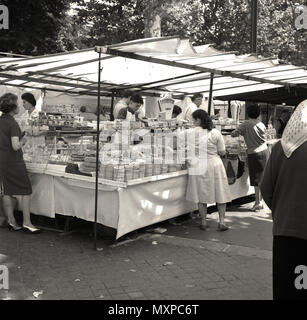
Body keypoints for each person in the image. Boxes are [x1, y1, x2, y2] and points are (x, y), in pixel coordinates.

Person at [260, 99, 307, 300]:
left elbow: (266, 188)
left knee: (287, 288)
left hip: (286, 232)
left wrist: (282, 211)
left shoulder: (281, 147)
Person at [184, 109, 232, 231]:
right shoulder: (215, 132)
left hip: (198, 164)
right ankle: (221, 222)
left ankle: (204, 222)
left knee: (201, 194)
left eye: (193, 119)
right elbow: (222, 151)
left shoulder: (189, 132)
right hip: (214, 163)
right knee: (220, 192)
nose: (192, 122)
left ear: (198, 120)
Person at [0, 93, 41, 233]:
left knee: (8, 191)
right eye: (17, 103)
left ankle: (12, 221)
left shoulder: (2, 120)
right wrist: (24, 139)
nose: (19, 106)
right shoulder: (12, 123)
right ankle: (27, 223)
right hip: (14, 161)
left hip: (3, 160)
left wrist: (19, 135)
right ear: (12, 107)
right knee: (26, 190)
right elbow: (15, 146)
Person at [231, 104, 269, 211]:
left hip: (255, 153)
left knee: (256, 180)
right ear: (258, 114)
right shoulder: (261, 124)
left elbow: (234, 134)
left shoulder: (246, 124)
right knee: (262, 178)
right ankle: (260, 201)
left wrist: (235, 132)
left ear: (248, 114)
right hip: (265, 151)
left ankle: (258, 202)